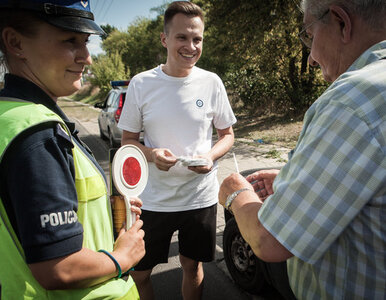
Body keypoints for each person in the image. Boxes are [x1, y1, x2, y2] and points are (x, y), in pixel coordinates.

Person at [219, 0, 386, 299]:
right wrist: (296, 176)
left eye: (309, 35)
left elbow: (268, 240)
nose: (310, 58)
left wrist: (233, 190)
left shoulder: (351, 100)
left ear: (341, 22)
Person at [0, 1, 145, 299]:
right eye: (69, 41)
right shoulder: (38, 133)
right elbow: (58, 266)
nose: (87, 58)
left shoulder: (10, 114)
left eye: (86, 42)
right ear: (15, 43)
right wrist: (123, 257)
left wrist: (105, 215)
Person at [118, 1, 236, 299]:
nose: (191, 46)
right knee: (139, 273)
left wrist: (209, 157)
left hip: (199, 197)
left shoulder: (212, 82)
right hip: (153, 199)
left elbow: (228, 135)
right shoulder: (142, 84)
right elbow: (128, 141)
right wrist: (151, 154)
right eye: (182, 37)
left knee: (191, 265)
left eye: (197, 39)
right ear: (164, 39)